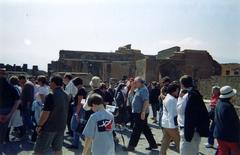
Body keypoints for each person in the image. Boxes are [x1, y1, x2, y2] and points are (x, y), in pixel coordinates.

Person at [33, 75, 69, 155]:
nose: (49, 84)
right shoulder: (66, 95)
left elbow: (46, 113)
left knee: (39, 150)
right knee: (58, 149)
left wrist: (39, 125)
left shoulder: (51, 95)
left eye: (50, 82)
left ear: (53, 83)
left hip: (49, 127)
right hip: (61, 126)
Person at [177, 75, 210, 155]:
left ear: (182, 84)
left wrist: (180, 98)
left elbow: (180, 111)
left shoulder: (189, 96)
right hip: (193, 130)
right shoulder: (195, 94)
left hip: (189, 131)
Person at [124, 77, 158, 151]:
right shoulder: (139, 89)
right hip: (138, 112)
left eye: (136, 82)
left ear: (140, 82)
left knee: (136, 129)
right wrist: (132, 86)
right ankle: (153, 144)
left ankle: (131, 145)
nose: (135, 83)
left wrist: (143, 112)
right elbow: (130, 93)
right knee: (145, 129)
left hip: (141, 113)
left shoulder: (143, 90)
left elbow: (146, 101)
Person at [214, 86, 240, 155]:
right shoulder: (228, 106)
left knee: (223, 152)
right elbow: (234, 123)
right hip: (230, 136)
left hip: (220, 134)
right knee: (236, 152)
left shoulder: (219, 103)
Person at [160, 82, 180, 155]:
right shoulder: (172, 100)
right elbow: (172, 114)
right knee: (179, 143)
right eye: (177, 90)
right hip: (171, 125)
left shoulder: (167, 97)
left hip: (165, 123)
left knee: (165, 142)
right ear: (174, 90)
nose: (178, 92)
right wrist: (174, 126)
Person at [67, 77, 87, 149]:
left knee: (74, 126)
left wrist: (77, 113)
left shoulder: (81, 90)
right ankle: (75, 143)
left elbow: (80, 103)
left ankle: (87, 140)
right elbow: (82, 102)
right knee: (77, 127)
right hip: (80, 109)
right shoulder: (82, 90)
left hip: (78, 110)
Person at [0, 77, 20, 144]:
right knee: (5, 126)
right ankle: (3, 140)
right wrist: (10, 114)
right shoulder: (12, 88)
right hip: (8, 110)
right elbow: (18, 101)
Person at [31, 75, 49, 142]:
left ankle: (34, 138)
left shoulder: (41, 88)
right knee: (40, 122)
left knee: (38, 122)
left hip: (39, 106)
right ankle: (37, 138)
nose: (37, 82)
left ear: (40, 81)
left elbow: (43, 100)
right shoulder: (46, 87)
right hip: (40, 106)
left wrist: (44, 107)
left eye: (38, 80)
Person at [7, 76, 23, 142]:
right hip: (18, 107)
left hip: (13, 107)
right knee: (17, 122)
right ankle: (21, 135)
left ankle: (6, 138)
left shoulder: (12, 88)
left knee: (9, 123)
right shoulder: (19, 88)